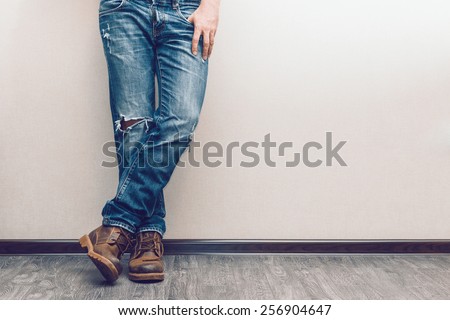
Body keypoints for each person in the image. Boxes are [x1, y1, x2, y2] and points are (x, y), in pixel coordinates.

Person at [79, 0, 221, 282]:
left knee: (181, 120)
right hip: (125, 9)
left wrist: (211, 6)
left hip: (187, 10)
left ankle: (117, 225)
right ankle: (147, 237)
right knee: (133, 128)